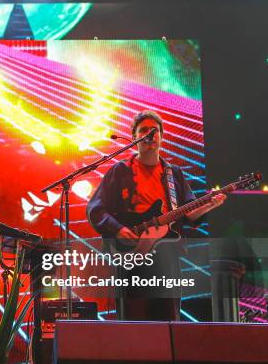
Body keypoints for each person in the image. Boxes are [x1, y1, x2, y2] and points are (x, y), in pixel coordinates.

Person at [86, 110, 226, 321]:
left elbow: (188, 214)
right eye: (144, 131)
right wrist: (118, 228)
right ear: (134, 137)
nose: (150, 134)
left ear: (161, 137)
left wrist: (209, 205)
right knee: (134, 324)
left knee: (168, 322)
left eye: (155, 131)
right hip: (131, 256)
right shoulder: (120, 171)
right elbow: (96, 209)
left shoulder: (174, 174)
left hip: (166, 257)